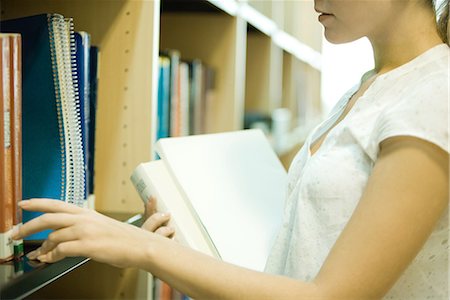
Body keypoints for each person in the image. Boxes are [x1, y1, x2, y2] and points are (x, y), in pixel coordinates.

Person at [12, 0, 449, 298]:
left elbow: (330, 296)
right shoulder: (373, 86)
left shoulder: (435, 93)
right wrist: (182, 252)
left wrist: (144, 250)